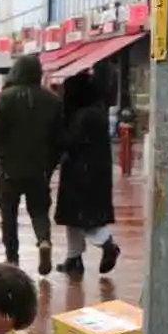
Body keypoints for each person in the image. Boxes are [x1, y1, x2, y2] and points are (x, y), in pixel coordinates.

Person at [0, 54, 64, 274]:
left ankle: (12, 259)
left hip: (9, 168)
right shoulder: (53, 100)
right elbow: (59, 139)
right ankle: (43, 240)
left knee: (9, 213)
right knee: (39, 209)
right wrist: (50, 166)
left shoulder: (7, 97)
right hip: (39, 168)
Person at [55, 72, 123, 277]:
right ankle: (73, 259)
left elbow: (70, 141)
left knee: (84, 219)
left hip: (81, 174)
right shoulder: (96, 111)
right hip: (93, 172)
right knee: (73, 219)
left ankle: (106, 243)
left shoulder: (83, 116)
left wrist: (57, 133)